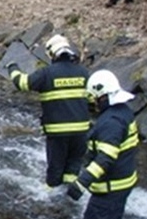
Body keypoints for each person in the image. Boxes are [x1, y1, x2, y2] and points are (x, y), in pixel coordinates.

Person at [66, 69, 139, 219]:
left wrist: (82, 182)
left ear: (102, 95)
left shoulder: (111, 122)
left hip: (111, 187)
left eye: (94, 97)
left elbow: (106, 157)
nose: (92, 102)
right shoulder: (123, 111)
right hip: (124, 181)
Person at [6, 34, 89, 188]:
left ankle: (52, 196)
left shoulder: (47, 73)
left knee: (55, 168)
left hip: (58, 132)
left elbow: (23, 83)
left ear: (52, 53)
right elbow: (92, 100)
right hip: (82, 132)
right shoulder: (83, 73)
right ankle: (69, 195)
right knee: (73, 167)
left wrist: (12, 67)